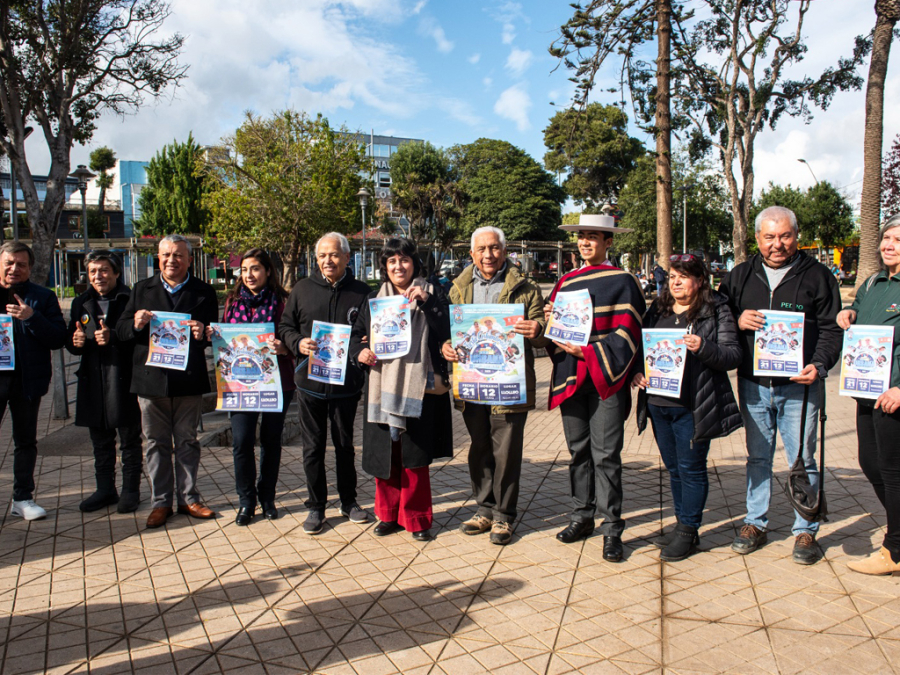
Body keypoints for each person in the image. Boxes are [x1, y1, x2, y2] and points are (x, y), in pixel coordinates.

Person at [719, 205, 842, 565]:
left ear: (796, 236)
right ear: (757, 238)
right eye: (769, 237)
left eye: (784, 236)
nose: (777, 244)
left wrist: (819, 365)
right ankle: (755, 522)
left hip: (800, 386)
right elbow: (718, 317)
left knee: (803, 458)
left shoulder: (818, 276)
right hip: (754, 384)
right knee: (758, 456)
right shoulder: (739, 276)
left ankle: (805, 529)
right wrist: (737, 319)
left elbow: (832, 329)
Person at [543, 214, 645, 561]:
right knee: (578, 452)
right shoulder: (566, 282)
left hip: (606, 380)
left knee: (606, 455)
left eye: (593, 237)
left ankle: (612, 529)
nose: (585, 242)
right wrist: (548, 321)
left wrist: (587, 350)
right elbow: (554, 333)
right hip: (573, 378)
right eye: (581, 237)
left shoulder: (624, 281)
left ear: (608, 242)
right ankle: (582, 516)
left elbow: (629, 332)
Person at [441, 226, 548, 546]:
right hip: (472, 382)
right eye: (482, 249)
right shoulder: (457, 288)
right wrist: (446, 345)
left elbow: (541, 328)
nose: (488, 255)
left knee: (507, 450)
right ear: (471, 254)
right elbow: (449, 331)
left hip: (509, 383)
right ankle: (483, 508)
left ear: (505, 251)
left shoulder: (525, 287)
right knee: (479, 448)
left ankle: (504, 515)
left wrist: (536, 329)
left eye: (495, 248)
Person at [632, 254, 743, 561]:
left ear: (699, 281)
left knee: (691, 469)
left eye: (683, 276)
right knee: (674, 469)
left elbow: (733, 355)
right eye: (672, 276)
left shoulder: (716, 309)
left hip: (694, 403)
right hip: (658, 402)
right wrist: (637, 372)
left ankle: (688, 530)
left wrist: (703, 347)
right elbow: (642, 348)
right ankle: (683, 526)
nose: (676, 282)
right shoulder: (657, 308)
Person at [350, 238, 452, 542]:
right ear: (385, 267)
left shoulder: (433, 294)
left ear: (414, 264)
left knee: (414, 457)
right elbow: (357, 335)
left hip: (417, 386)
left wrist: (428, 302)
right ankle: (388, 515)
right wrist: (360, 352)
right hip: (382, 386)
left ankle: (417, 518)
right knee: (388, 454)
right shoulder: (373, 299)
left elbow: (448, 329)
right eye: (392, 261)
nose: (398, 266)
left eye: (404, 260)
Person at [116, 235, 219, 529]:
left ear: (189, 260)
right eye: (166, 255)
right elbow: (122, 331)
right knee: (155, 443)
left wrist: (202, 332)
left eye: (178, 255)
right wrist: (135, 323)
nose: (171, 260)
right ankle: (160, 502)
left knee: (187, 441)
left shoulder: (204, 292)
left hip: (187, 380)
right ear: (157, 258)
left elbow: (211, 335)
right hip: (150, 382)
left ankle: (189, 498)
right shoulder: (141, 289)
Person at [279, 232, 370, 534]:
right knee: (313, 447)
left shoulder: (362, 292)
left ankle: (349, 501)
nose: (327, 261)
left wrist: (368, 339)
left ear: (347, 257)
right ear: (316, 259)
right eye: (322, 256)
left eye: (334, 255)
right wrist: (298, 342)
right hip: (310, 385)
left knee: (345, 445)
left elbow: (369, 331)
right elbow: (285, 326)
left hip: (346, 384)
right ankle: (316, 506)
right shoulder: (302, 289)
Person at [213, 249, 294, 526]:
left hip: (276, 384)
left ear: (268, 271)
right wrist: (216, 336)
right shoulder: (232, 301)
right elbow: (224, 337)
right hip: (239, 386)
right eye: (245, 269)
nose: (249, 275)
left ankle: (267, 497)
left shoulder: (282, 301)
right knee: (242, 442)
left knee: (271, 442)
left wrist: (284, 348)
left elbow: (293, 339)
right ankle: (246, 501)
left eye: (256, 268)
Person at [839, 215, 900, 575]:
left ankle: (893, 550)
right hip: (867, 391)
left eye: (898, 240)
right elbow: (859, 311)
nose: (889, 244)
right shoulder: (874, 282)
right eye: (887, 237)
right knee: (870, 464)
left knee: (893, 469)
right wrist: (849, 312)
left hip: (894, 394)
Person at [66, 251, 142, 513]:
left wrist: (115, 338)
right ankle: (105, 489)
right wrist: (74, 344)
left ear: (117, 273)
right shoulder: (82, 302)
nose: (98, 276)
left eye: (104, 270)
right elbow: (75, 338)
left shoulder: (130, 299)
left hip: (123, 379)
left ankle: (131, 490)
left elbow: (140, 340)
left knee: (130, 440)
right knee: (100, 442)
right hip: (93, 380)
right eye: (93, 271)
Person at [0, 242, 67, 520]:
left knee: (25, 440)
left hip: (28, 380)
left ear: (30, 268)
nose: (15, 269)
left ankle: (22, 498)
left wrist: (32, 317)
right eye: (9, 263)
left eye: (22, 264)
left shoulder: (43, 297)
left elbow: (58, 338)